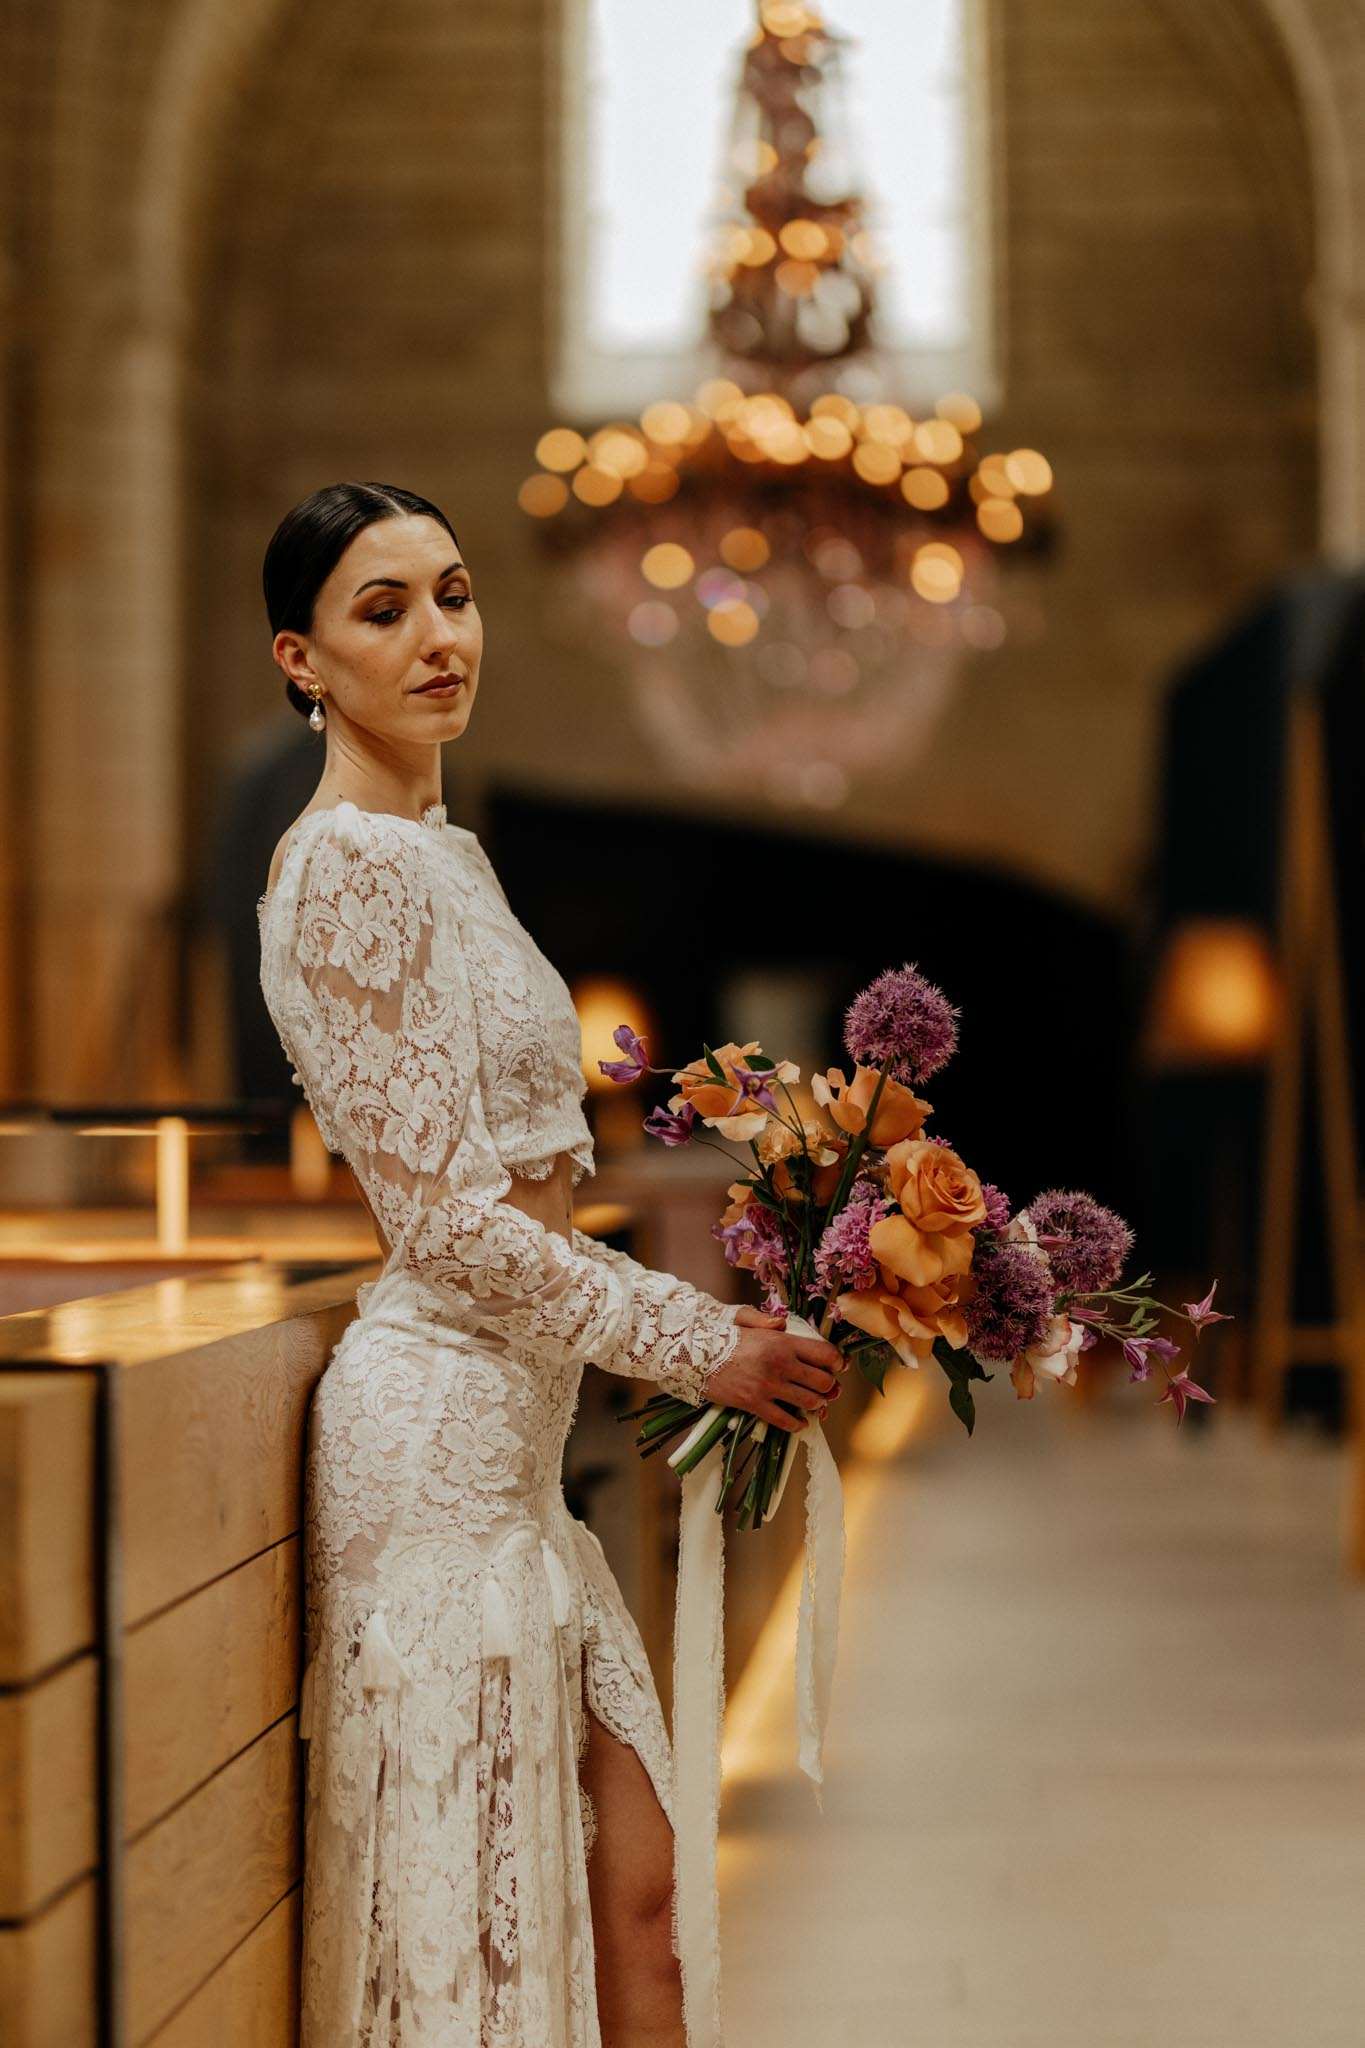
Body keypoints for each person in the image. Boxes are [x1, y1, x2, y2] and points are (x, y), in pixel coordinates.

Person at [256, 481, 846, 2047]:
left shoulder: (440, 855)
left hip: (516, 1459)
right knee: (495, 1940)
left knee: (636, 1909)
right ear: (300, 660)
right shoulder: (341, 871)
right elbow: (446, 1223)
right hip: (433, 1448)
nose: (439, 636)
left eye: (451, 594)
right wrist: (685, 1336)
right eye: (382, 611)